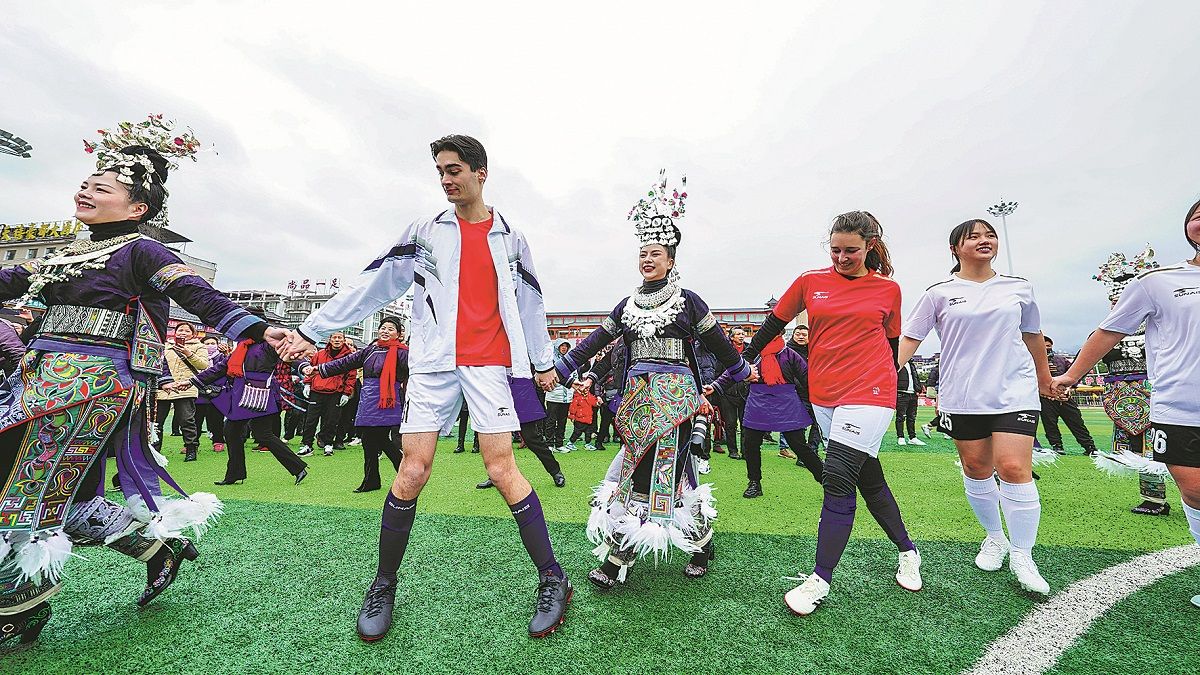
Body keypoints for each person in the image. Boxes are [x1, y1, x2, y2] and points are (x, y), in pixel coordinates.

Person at [281, 134, 570, 639]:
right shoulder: (423, 231)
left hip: (489, 366)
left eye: (454, 169)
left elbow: (531, 305)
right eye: (440, 171)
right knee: (413, 470)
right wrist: (313, 331)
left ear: (481, 173)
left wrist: (544, 362)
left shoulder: (512, 238)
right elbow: (375, 285)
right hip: (434, 365)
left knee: (502, 469)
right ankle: (383, 584)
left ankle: (552, 577)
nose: (445, 179)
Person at [0, 132, 273, 645]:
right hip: (39, 380)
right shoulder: (68, 253)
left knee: (27, 487)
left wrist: (255, 327)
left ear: (136, 205)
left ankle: (19, 606)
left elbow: (193, 291)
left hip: (94, 383)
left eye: (102, 187)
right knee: (69, 496)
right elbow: (9, 279)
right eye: (85, 183)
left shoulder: (142, 251)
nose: (86, 191)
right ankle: (158, 550)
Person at [558, 171, 751, 589]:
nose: (648, 259)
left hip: (677, 403)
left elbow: (719, 345)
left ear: (671, 260)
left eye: (656, 253)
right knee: (661, 474)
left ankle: (617, 560)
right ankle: (701, 542)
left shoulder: (687, 302)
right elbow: (597, 341)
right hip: (637, 402)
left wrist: (737, 370)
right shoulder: (627, 305)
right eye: (643, 253)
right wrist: (565, 366)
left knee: (653, 473)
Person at [741, 211, 921, 616]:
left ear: (869, 246)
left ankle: (819, 579)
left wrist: (887, 382)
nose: (842, 257)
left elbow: (890, 344)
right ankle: (908, 550)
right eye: (836, 250)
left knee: (837, 477)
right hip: (825, 394)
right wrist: (745, 358)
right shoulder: (810, 282)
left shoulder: (888, 290)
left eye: (851, 251)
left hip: (871, 389)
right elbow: (774, 323)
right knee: (869, 478)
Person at [1053, 198, 1200, 609]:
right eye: (1197, 215)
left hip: (1157, 403)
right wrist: (1069, 376)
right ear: (1187, 228)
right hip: (1176, 406)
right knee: (1194, 489)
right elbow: (1107, 332)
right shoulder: (1157, 282)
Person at [898, 219, 1054, 595]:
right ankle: (994, 538)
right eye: (974, 237)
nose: (985, 241)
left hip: (1013, 390)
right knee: (975, 467)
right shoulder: (939, 293)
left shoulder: (1019, 287)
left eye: (990, 235)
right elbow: (911, 337)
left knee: (1015, 467)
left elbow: (1032, 335)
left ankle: (1022, 554)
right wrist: (888, 373)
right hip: (962, 394)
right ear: (955, 249)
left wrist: (1045, 379)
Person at [177, 308, 309, 487]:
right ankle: (237, 473)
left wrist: (303, 367)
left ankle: (296, 467)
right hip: (242, 394)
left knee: (262, 434)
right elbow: (221, 367)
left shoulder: (268, 344)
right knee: (234, 432)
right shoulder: (242, 345)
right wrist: (192, 381)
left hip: (260, 393)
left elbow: (291, 356)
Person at [1089, 246, 1170, 515]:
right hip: (1121, 399)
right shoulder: (1103, 332)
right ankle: (1154, 499)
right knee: (1143, 452)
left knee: (1171, 448)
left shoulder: (1161, 326)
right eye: (1115, 301)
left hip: (1159, 394)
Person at [707, 335, 824, 498]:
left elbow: (807, 378)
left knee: (799, 446)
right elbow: (734, 370)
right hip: (758, 402)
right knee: (750, 444)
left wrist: (824, 397)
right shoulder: (753, 354)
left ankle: (828, 482)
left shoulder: (789, 354)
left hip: (786, 403)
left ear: (780, 334)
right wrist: (716, 386)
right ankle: (754, 482)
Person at [303, 317, 408, 493]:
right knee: (371, 440)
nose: (385, 331)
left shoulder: (403, 352)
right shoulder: (370, 350)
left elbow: (417, 371)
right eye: (383, 328)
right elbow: (345, 363)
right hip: (369, 398)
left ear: (398, 334)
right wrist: (319, 369)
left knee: (378, 439)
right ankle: (378, 478)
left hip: (388, 399)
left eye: (390, 329)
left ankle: (393, 476)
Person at [476, 375, 566, 489]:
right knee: (498, 436)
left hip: (521, 384)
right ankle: (495, 476)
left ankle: (555, 471)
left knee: (531, 437)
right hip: (498, 386)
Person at [155, 321, 210, 462]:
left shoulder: (200, 346)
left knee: (186, 420)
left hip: (185, 387)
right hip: (164, 387)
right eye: (180, 330)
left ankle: (191, 448)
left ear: (193, 333)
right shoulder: (166, 346)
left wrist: (188, 353)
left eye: (187, 331)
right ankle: (154, 450)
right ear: (175, 332)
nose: (183, 333)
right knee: (156, 422)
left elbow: (204, 365)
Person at [298, 331, 355, 457]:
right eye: (334, 337)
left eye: (340, 337)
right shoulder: (320, 354)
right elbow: (310, 369)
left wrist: (346, 393)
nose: (337, 340)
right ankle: (307, 445)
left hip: (335, 392)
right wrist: (307, 384)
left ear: (344, 340)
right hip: (317, 391)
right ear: (329, 339)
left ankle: (328, 444)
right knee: (310, 420)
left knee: (331, 420)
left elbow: (351, 376)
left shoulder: (349, 357)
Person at [1039, 336, 1098, 455]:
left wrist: (1068, 388)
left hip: (1065, 397)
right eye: (1044, 347)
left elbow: (1073, 374)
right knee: (1050, 424)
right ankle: (1057, 446)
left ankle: (1089, 447)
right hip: (1046, 398)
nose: (1047, 349)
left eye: (1049, 346)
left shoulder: (1061, 359)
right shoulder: (1034, 362)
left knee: (1076, 422)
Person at [196, 335, 227, 452]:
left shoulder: (221, 357)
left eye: (213, 343)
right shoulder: (197, 357)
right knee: (196, 419)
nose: (210, 346)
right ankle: (192, 442)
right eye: (207, 343)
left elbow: (225, 372)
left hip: (217, 393)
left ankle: (218, 441)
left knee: (216, 419)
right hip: (199, 392)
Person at [544, 340, 574, 452]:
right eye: (562, 346)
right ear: (557, 347)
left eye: (566, 346)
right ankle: (549, 444)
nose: (564, 348)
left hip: (566, 396)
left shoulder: (570, 361)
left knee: (562, 421)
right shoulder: (551, 360)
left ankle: (559, 444)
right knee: (551, 421)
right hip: (553, 395)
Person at [895, 359, 925, 446]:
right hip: (901, 393)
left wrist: (918, 389)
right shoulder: (898, 362)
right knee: (900, 417)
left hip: (913, 394)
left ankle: (912, 437)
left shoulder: (911, 364)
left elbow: (915, 377)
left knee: (912, 417)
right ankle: (900, 437)